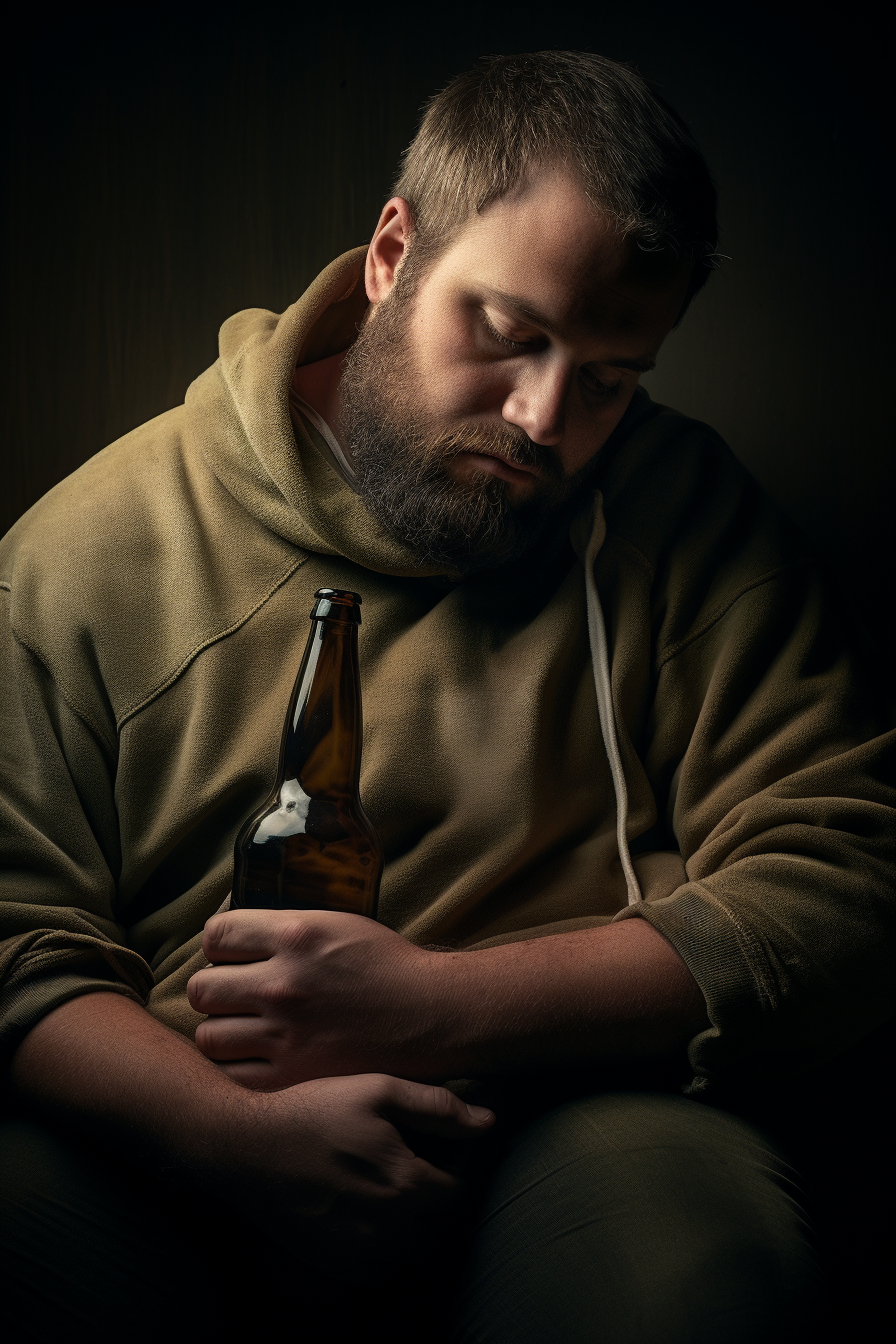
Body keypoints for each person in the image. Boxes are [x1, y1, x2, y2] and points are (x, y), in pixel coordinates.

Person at [0, 50, 892, 1344]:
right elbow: (13, 930)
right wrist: (228, 1135)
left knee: (691, 1269)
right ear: (390, 254)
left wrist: (442, 1007)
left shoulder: (681, 508)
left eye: (610, 376)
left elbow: (850, 872)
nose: (545, 419)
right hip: (175, 1127)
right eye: (509, 332)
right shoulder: (83, 553)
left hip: (570, 1121)